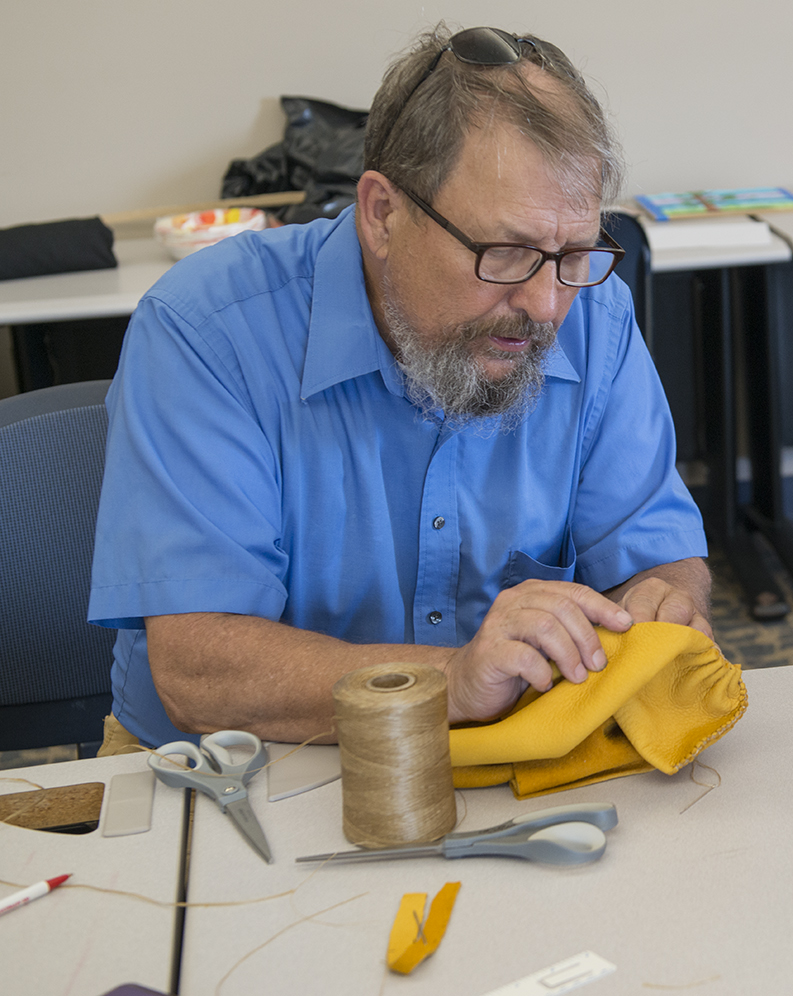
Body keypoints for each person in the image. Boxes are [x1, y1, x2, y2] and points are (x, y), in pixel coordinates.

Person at [88, 26, 711, 750]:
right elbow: (201, 670)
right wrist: (450, 681)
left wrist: (660, 600)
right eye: (505, 253)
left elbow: (656, 553)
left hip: (503, 752)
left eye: (573, 254)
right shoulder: (206, 332)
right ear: (382, 213)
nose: (547, 307)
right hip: (234, 770)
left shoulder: (594, 316)